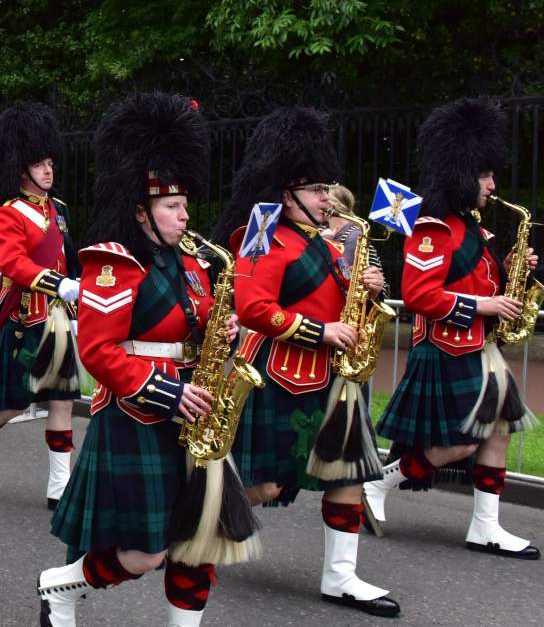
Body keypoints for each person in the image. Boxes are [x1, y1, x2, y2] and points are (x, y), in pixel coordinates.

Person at [38, 93, 258, 627]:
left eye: (184, 205)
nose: (185, 215)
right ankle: (56, 587)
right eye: (172, 207)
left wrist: (218, 329)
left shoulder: (192, 263)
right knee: (146, 553)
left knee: (198, 545)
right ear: (141, 210)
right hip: (138, 413)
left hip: (196, 410)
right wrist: (168, 392)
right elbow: (97, 351)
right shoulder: (113, 264)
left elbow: (195, 322)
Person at [212, 108, 399, 617]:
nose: (326, 198)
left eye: (325, 188)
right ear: (287, 193)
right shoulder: (261, 237)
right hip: (284, 377)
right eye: (316, 189)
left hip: (337, 379)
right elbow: (253, 309)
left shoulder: (330, 240)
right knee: (269, 483)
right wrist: (322, 330)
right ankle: (196, 521)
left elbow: (333, 295)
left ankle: (341, 577)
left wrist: (365, 288)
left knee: (348, 476)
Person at [367, 98, 539, 558]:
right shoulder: (433, 227)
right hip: (447, 347)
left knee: (498, 431)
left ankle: (486, 526)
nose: (492, 184)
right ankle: (378, 485)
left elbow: (474, 282)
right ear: (462, 174)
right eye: (485, 175)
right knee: (460, 443)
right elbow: (420, 294)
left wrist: (507, 269)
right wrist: (483, 304)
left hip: (479, 347)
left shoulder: (471, 228)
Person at [0, 103, 81, 509]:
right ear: (21, 169)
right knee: (11, 404)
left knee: (61, 399)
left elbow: (66, 257)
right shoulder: (9, 213)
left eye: (49, 163)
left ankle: (59, 485)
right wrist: (59, 283)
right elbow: (13, 264)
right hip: (28, 317)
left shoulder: (58, 210)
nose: (48, 170)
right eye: (39, 165)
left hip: (59, 318)